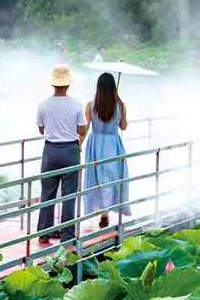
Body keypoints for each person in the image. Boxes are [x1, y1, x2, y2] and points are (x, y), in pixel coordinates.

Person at [36, 65, 88, 245]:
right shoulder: (76, 105)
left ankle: (44, 232)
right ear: (68, 85)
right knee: (68, 194)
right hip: (70, 151)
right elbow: (81, 129)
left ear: (53, 84)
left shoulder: (43, 105)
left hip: (50, 150)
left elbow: (41, 129)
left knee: (48, 193)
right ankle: (67, 235)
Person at [84, 73, 130, 229]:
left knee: (96, 178)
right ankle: (106, 211)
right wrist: (122, 112)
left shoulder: (91, 105)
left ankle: (102, 211)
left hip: (95, 143)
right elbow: (123, 126)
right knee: (111, 176)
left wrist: (78, 143)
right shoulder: (120, 105)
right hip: (113, 143)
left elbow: (85, 128)